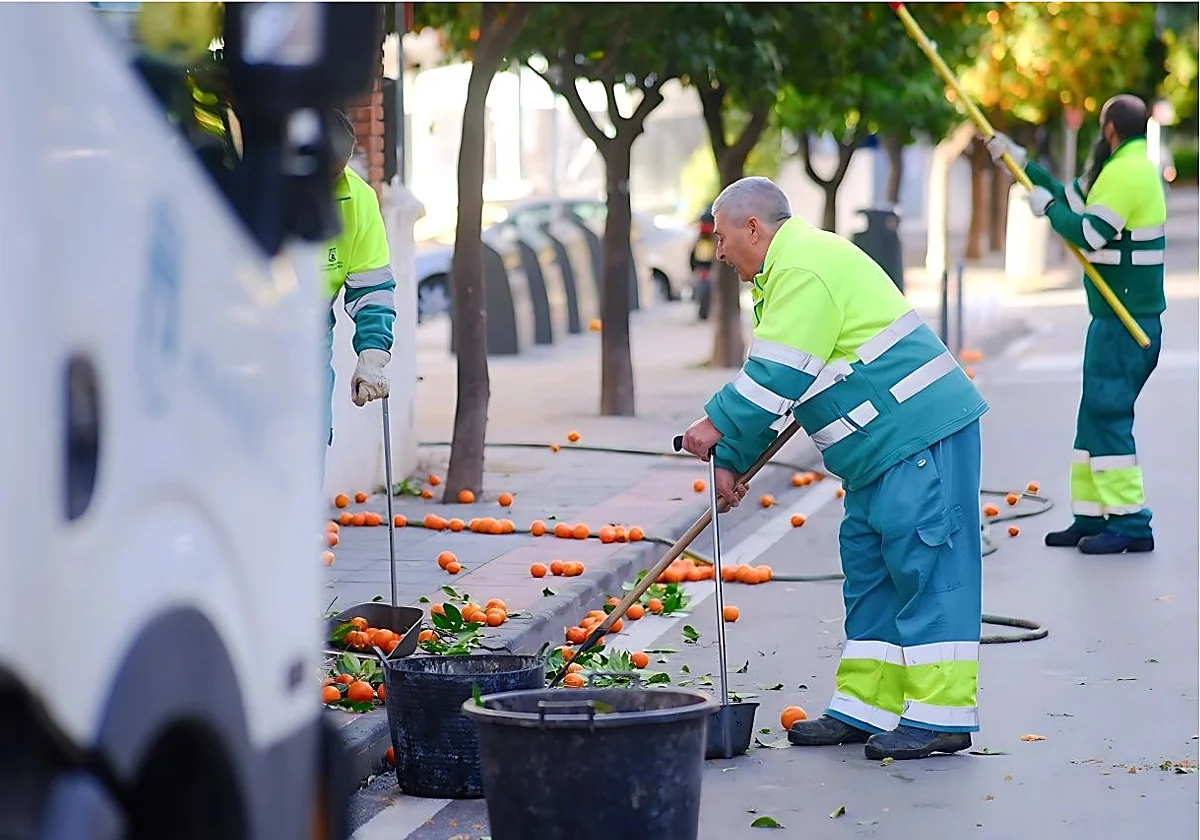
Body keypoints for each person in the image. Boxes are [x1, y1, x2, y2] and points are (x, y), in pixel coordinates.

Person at [680, 177, 988, 761]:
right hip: (876, 452)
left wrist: (713, 426)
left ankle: (941, 717)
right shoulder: (784, 276)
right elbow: (792, 384)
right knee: (871, 572)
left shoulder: (804, 268)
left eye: (722, 238)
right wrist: (735, 461)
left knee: (928, 568)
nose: (718, 253)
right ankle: (865, 708)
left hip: (917, 435)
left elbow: (777, 374)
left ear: (753, 228)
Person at [987, 95, 1166, 555]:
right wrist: (1020, 163)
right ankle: (1090, 515)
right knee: (1093, 419)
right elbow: (1074, 199)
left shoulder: (1126, 173)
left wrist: (1047, 209)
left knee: (1107, 416)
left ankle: (1130, 524)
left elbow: (1088, 233)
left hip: (1126, 324)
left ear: (1108, 130)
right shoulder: (1123, 168)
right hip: (1115, 319)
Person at [321, 109, 396, 453]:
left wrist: (372, 356)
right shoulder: (259, 188)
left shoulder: (359, 200)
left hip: (310, 334)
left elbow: (373, 288)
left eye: (338, 172)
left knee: (311, 436)